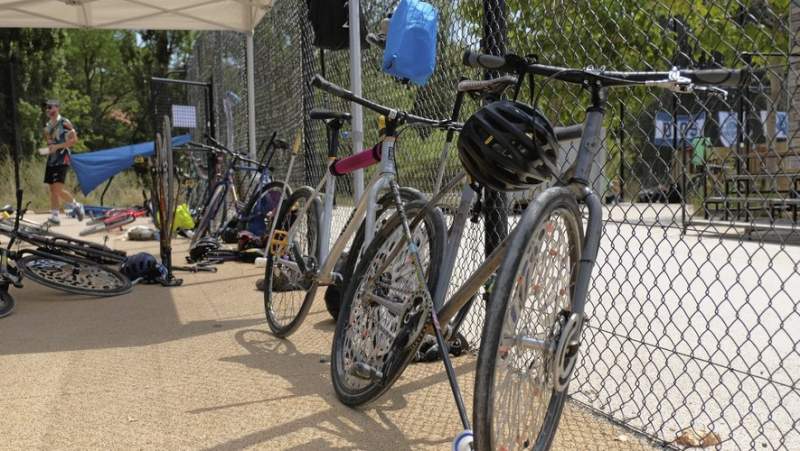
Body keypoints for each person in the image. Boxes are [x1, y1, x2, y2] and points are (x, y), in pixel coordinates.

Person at [43, 99, 84, 224]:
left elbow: (74, 140)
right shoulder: (48, 126)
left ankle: (76, 205)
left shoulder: (64, 122)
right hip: (52, 159)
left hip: (63, 158)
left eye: (50, 107)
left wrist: (57, 147)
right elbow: (50, 142)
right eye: (46, 108)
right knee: (52, 190)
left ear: (58, 108)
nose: (48, 110)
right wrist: (49, 148)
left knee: (58, 190)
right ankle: (55, 217)